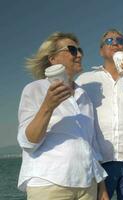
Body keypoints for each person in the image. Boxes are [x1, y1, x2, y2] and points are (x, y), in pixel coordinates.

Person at [17, 32, 108, 200]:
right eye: (72, 50)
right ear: (52, 58)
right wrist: (48, 106)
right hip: (49, 183)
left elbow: (91, 145)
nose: (79, 54)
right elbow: (28, 142)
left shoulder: (84, 96)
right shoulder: (35, 89)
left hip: (87, 185)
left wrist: (101, 186)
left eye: (80, 50)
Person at [76, 28, 123, 200]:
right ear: (101, 50)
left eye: (120, 40)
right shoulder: (86, 80)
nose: (115, 43)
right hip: (98, 160)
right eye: (109, 41)